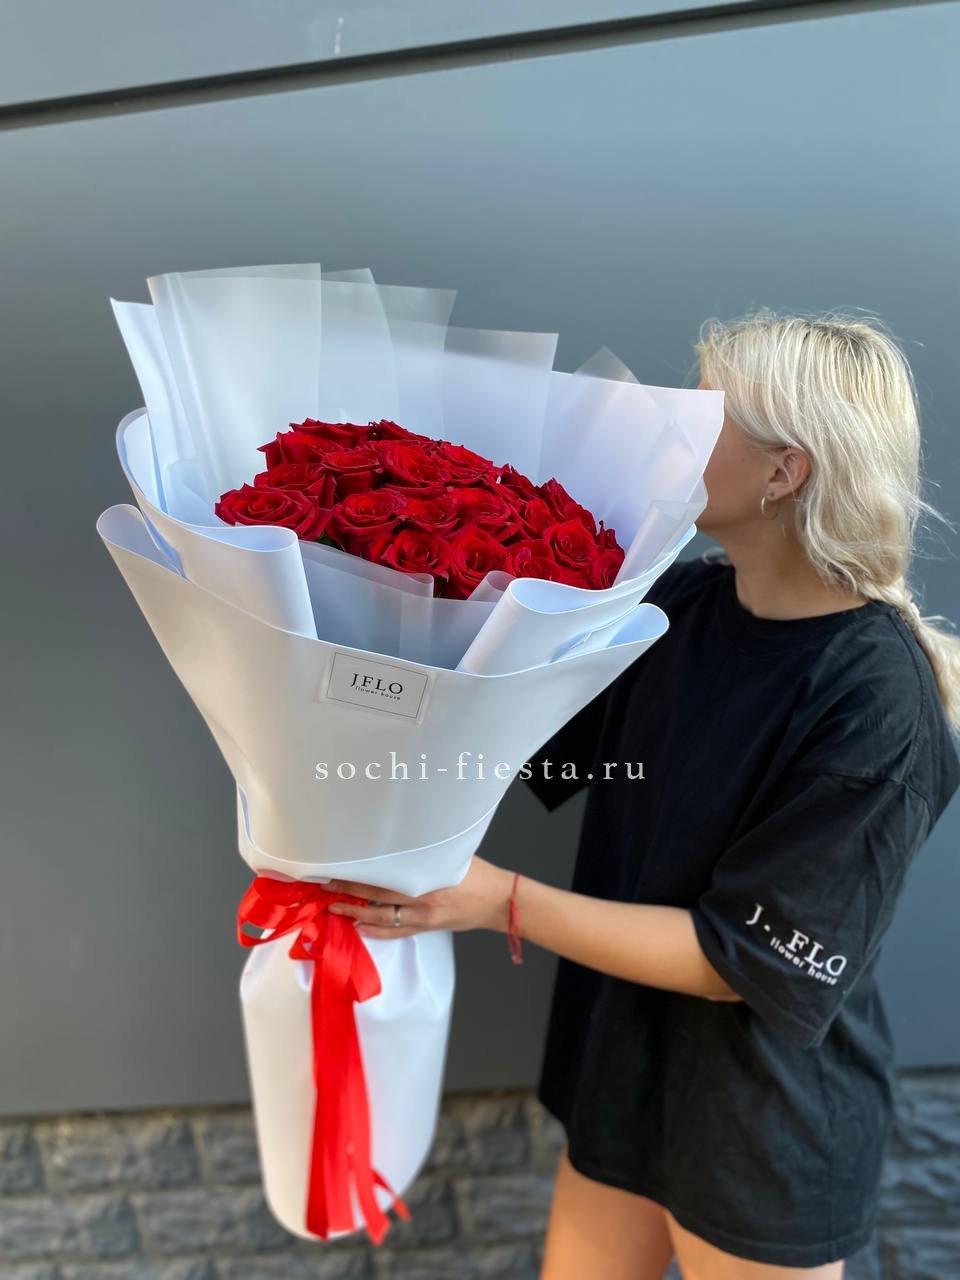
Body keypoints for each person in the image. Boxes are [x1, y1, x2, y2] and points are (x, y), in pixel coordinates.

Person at [323, 309, 960, 1278]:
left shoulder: (878, 705)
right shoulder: (682, 606)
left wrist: (499, 899)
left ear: (785, 472)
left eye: (702, 416)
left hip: (761, 1127)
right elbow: (531, 744)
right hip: (623, 1073)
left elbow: (738, 960)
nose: (667, 431)